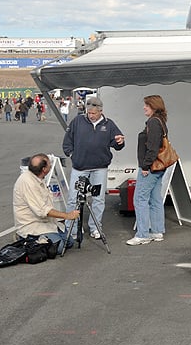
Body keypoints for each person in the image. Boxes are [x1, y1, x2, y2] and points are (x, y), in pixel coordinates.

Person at [62, 97, 125, 239]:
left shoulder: (109, 125)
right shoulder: (78, 121)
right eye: (88, 113)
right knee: (73, 198)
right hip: (80, 167)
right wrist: (72, 154)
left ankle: (95, 227)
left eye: (93, 113)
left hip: (100, 168)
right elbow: (67, 141)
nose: (90, 116)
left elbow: (117, 144)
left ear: (101, 111)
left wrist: (120, 142)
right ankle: (71, 229)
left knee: (98, 199)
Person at [13, 153, 79, 254]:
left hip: (47, 222)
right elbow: (43, 211)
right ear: (44, 169)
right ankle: (23, 238)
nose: (51, 165)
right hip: (31, 225)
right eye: (49, 164)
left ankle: (49, 237)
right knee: (60, 247)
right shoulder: (28, 182)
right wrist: (68, 216)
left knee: (69, 242)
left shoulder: (38, 177)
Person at [127, 94, 170, 246]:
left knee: (140, 199)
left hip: (151, 167)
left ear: (154, 106)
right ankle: (157, 231)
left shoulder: (153, 122)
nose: (144, 107)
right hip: (159, 167)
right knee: (155, 199)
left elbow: (152, 148)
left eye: (147, 105)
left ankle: (143, 234)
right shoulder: (161, 122)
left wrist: (145, 166)